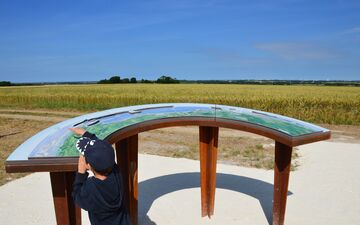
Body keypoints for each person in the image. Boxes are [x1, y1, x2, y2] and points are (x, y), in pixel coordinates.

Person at [69, 127, 131, 225]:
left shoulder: (90, 188)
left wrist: (81, 173)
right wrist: (86, 134)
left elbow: (76, 196)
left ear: (88, 165)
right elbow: (104, 150)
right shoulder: (116, 172)